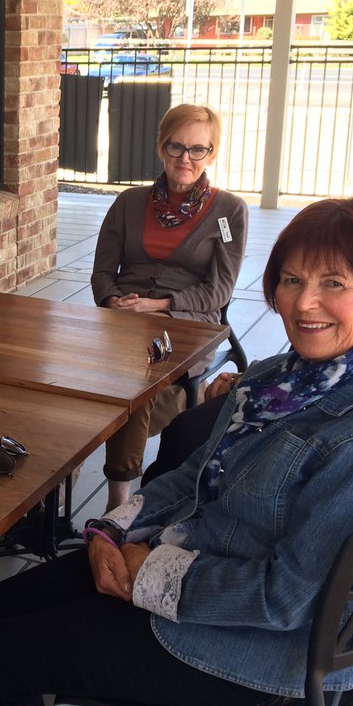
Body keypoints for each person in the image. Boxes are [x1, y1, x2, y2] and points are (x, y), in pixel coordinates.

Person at [0, 197, 353, 706]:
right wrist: (112, 531)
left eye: (334, 284)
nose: (303, 303)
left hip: (250, 648)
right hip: (187, 560)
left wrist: (146, 577)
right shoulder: (282, 378)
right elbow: (193, 474)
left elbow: (288, 598)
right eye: (291, 280)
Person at [144, 142, 353, 484]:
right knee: (185, 430)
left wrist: (260, 390)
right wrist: (252, 382)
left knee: (192, 438)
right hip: (323, 393)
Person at [89, 103, 247, 508]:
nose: (185, 158)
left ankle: (118, 498)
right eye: (176, 146)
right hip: (122, 317)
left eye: (198, 149)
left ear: (212, 154)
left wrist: (161, 305)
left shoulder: (229, 210)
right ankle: (62, 463)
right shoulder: (128, 203)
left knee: (137, 385)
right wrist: (112, 301)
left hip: (186, 320)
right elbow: (102, 272)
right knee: (67, 377)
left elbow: (220, 290)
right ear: (162, 147)